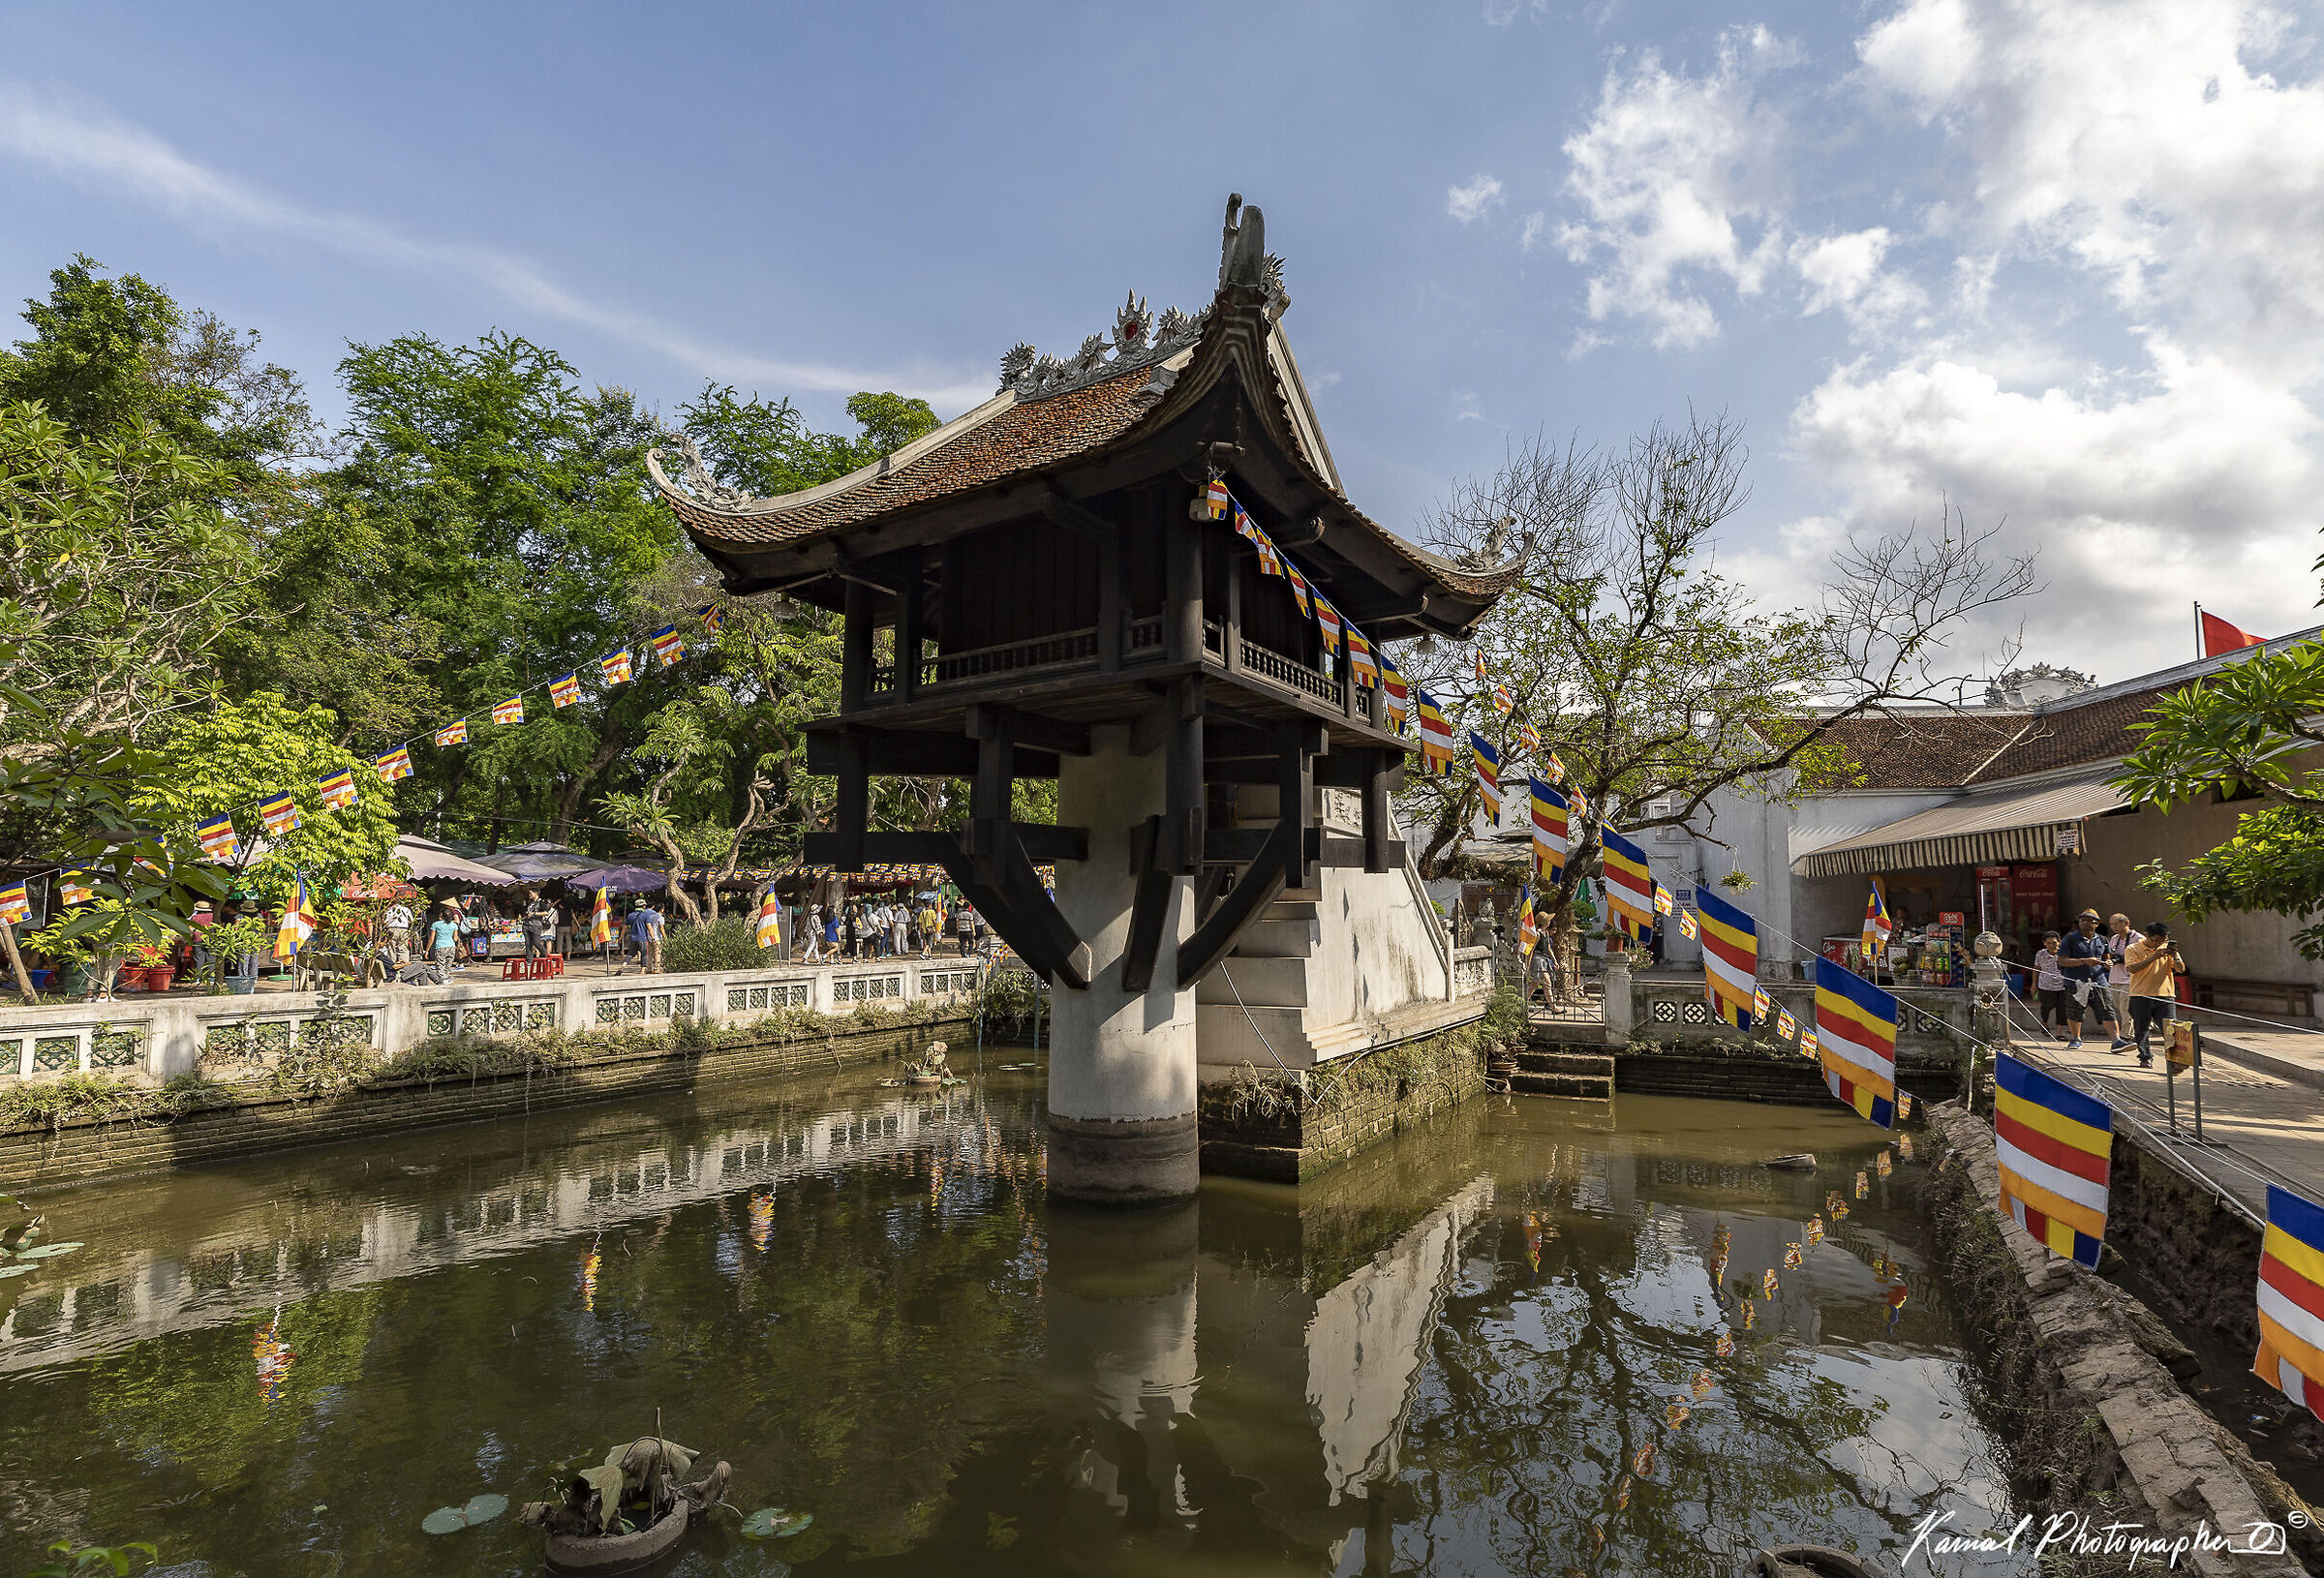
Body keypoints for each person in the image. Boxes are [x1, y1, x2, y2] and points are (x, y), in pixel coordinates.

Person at [2058, 909, 2122, 1050]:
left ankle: (2116, 1040)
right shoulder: (2070, 939)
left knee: (2107, 1009)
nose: (2085, 923)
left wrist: (2108, 964)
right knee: (2075, 1011)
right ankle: (2075, 1038)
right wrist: (2083, 961)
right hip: (2075, 981)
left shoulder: (2103, 940)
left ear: (2096, 923)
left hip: (2098, 981)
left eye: (2089, 920)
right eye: (2082, 920)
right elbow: (2062, 961)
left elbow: (2107, 958)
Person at [2125, 922, 2186, 1068]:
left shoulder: (2168, 949)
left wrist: (2175, 955)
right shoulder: (2133, 948)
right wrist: (2153, 957)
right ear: (2146, 935)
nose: (2158, 944)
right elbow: (2132, 969)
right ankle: (2145, 1057)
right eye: (2155, 940)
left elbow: (2181, 969)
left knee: (2170, 1028)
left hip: (2165, 995)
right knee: (2141, 1028)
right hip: (2140, 995)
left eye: (2162, 941)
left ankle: (2175, 1060)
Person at [2031, 931, 2071, 1039]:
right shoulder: (2040, 954)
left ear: (2059, 942)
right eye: (2048, 943)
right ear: (2044, 943)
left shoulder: (2064, 953)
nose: (2051, 945)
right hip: (2045, 985)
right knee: (2046, 1006)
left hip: (2062, 985)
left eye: (2054, 943)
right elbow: (2036, 969)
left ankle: (2059, 1033)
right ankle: (2044, 1023)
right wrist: (2034, 985)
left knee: (2062, 1009)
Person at [2105, 914, 2135, 1047]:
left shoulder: (2138, 938)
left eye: (2116, 924)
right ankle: (2140, 1025)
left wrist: (2124, 959)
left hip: (2130, 979)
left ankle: (2126, 1037)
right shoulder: (2114, 939)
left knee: (2125, 1009)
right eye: (2112, 925)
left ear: (2126, 922)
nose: (2114, 927)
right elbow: (2111, 955)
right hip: (2114, 977)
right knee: (2117, 1007)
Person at [425, 902, 463, 981]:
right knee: (447, 968)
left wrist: (427, 951)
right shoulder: (454, 925)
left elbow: (431, 939)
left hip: (440, 947)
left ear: (442, 915)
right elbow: (455, 938)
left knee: (440, 967)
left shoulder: (436, 924)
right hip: (451, 947)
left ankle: (443, 982)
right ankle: (446, 980)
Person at [627, 897, 664, 974]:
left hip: (648, 938)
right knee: (657, 953)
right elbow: (661, 929)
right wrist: (664, 937)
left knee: (649, 954)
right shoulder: (659, 917)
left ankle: (648, 969)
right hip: (656, 937)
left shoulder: (649, 915)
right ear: (661, 909)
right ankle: (656, 969)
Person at [522, 891, 557, 959]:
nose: (529, 895)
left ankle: (545, 955)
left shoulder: (541, 903)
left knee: (536, 942)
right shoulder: (530, 902)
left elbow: (546, 912)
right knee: (528, 944)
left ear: (536, 893)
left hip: (536, 925)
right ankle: (529, 961)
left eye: (531, 893)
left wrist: (534, 914)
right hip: (526, 925)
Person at [382, 896, 413, 967]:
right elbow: (411, 921)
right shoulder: (406, 909)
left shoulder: (389, 909)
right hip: (404, 929)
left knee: (392, 949)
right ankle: (404, 966)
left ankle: (392, 966)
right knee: (403, 948)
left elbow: (384, 922)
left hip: (392, 929)